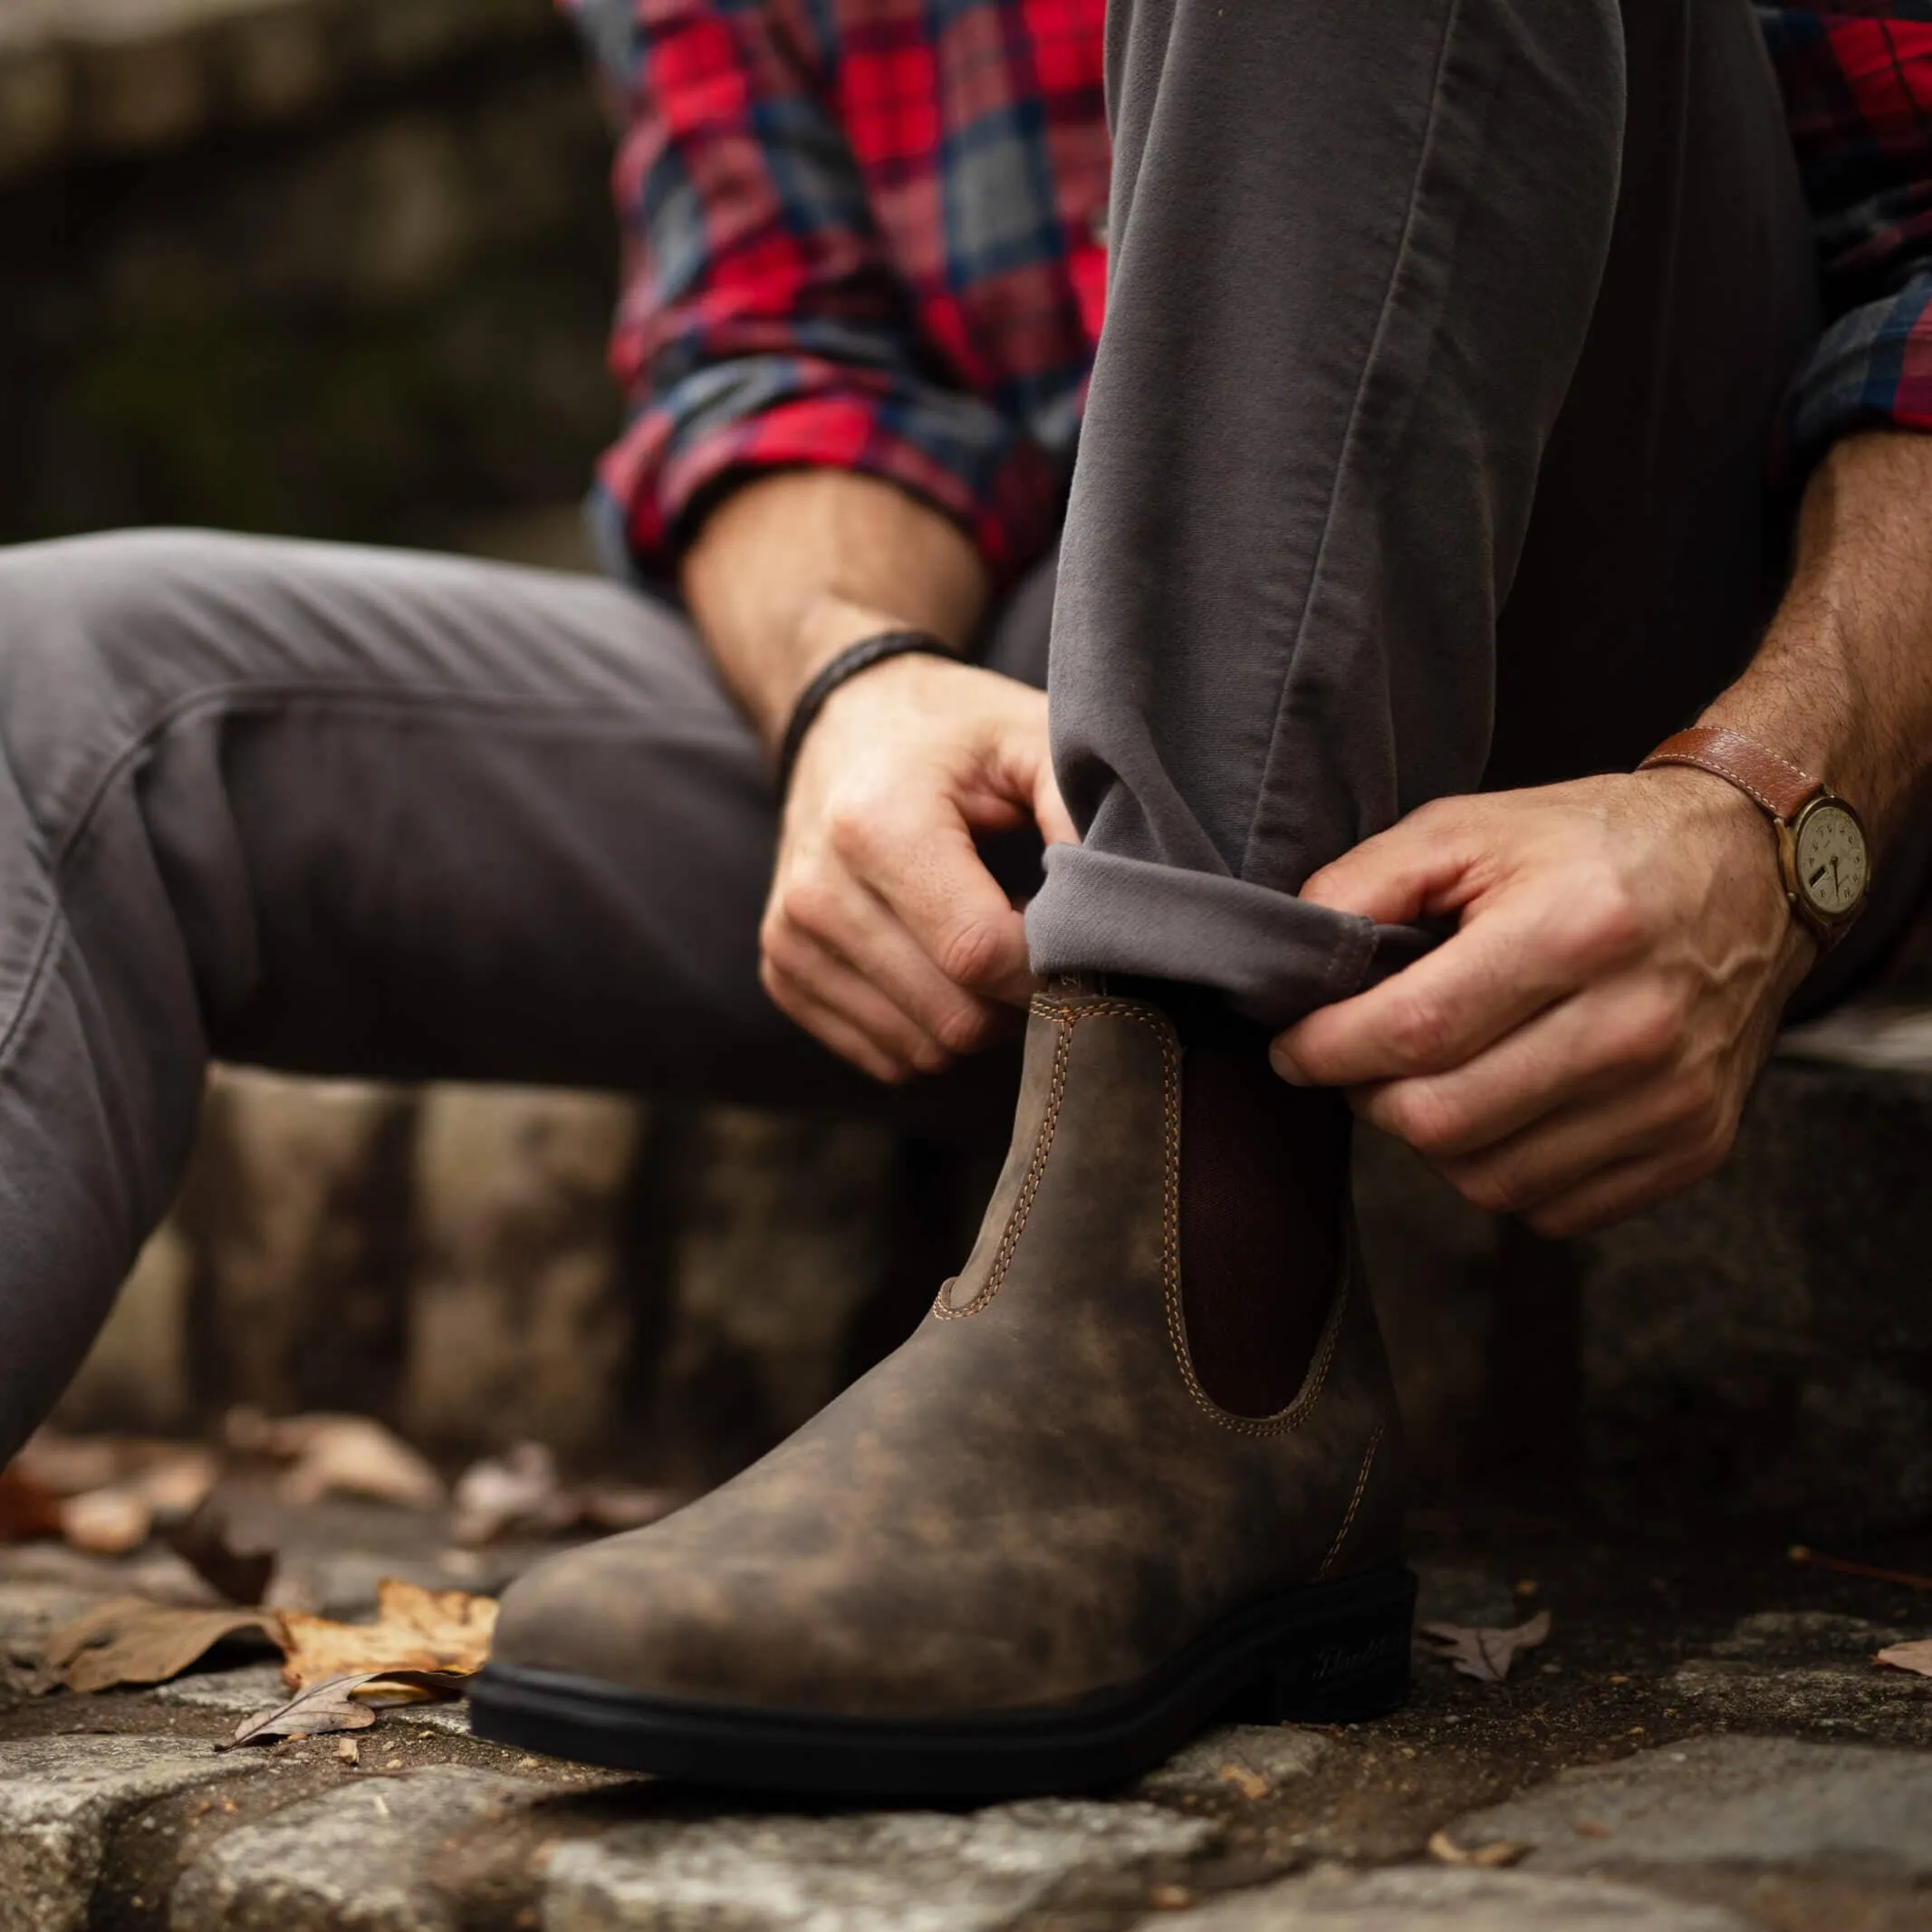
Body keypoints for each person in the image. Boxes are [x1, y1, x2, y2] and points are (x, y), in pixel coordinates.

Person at [1, 0, 1928, 1793]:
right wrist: (849, 675)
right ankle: (1135, 1078)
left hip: (1659, 649)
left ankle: (1179, 1334)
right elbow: (780, 356)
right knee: (73, 689)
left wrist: (1773, 807)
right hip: (1051, 742)